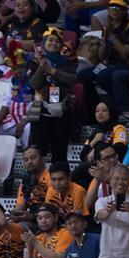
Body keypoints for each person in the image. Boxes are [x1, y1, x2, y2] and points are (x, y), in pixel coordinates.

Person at [79, 0, 129, 119]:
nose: (115, 10)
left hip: (125, 64)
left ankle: (123, 110)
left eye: (119, 8)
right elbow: (102, 57)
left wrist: (112, 36)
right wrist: (102, 41)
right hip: (108, 64)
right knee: (83, 75)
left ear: (124, 11)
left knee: (104, 75)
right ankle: (95, 106)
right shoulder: (108, 28)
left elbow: (125, 53)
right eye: (112, 7)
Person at [28, 27, 78, 164]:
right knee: (36, 151)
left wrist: (52, 71)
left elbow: (73, 80)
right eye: (50, 40)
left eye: (57, 41)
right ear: (44, 43)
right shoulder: (34, 61)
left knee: (60, 152)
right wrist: (41, 67)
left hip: (62, 109)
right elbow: (34, 84)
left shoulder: (67, 61)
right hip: (38, 108)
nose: (54, 43)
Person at [73, 100, 129, 190]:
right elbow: (82, 155)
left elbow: (120, 148)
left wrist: (95, 151)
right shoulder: (95, 131)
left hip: (112, 166)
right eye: (97, 111)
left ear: (110, 112)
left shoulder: (119, 128)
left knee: (83, 168)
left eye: (104, 110)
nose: (100, 113)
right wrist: (93, 142)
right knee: (81, 172)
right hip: (97, 166)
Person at [85, 142, 129, 213]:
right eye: (107, 158)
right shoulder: (98, 178)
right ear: (99, 163)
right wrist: (98, 181)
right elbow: (88, 204)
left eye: (113, 155)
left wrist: (107, 180)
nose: (112, 160)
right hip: (107, 217)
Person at [10, 145, 50, 224]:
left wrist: (32, 217)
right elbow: (20, 207)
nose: (29, 162)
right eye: (26, 159)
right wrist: (16, 215)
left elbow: (53, 210)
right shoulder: (26, 181)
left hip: (48, 221)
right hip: (32, 220)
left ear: (43, 160)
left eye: (33, 158)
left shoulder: (52, 178)